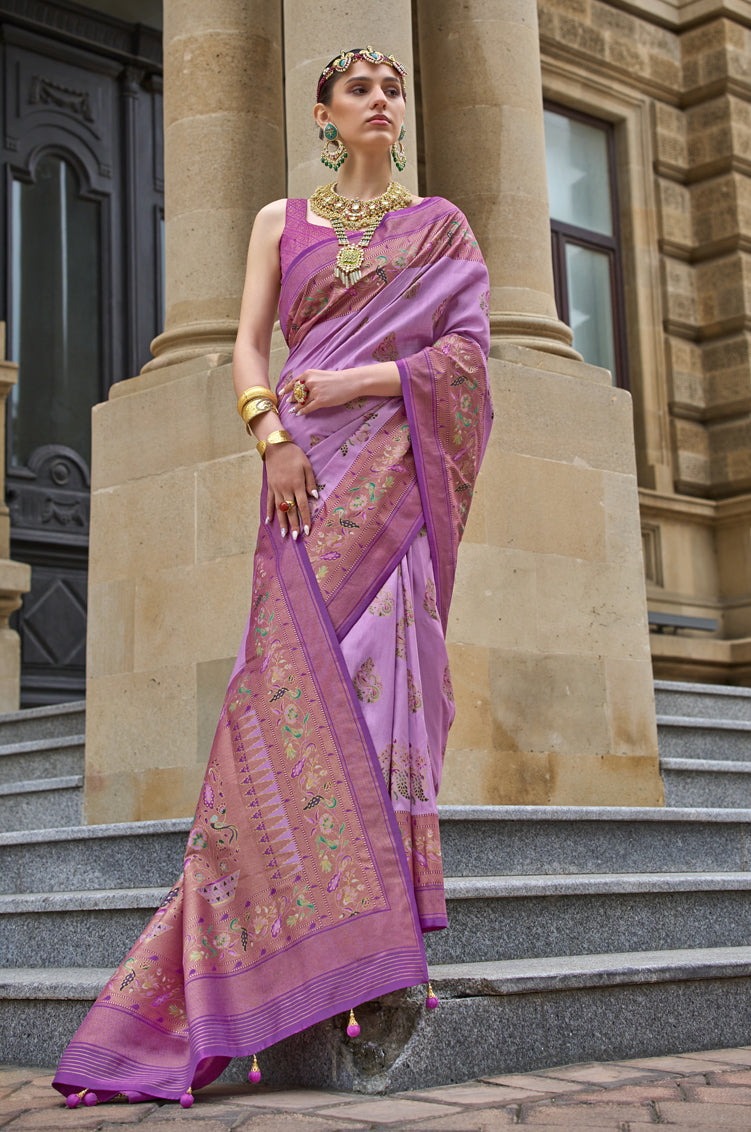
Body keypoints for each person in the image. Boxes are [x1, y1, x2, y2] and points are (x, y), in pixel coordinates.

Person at [52, 45, 492, 1109]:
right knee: (283, 698)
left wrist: (362, 379)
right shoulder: (278, 221)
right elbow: (249, 346)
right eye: (359, 90)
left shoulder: (440, 227)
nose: (381, 100)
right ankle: (270, 945)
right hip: (304, 482)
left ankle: (379, 950)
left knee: (385, 697)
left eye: (393, 89)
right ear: (323, 115)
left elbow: (469, 358)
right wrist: (272, 437)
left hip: (394, 483)